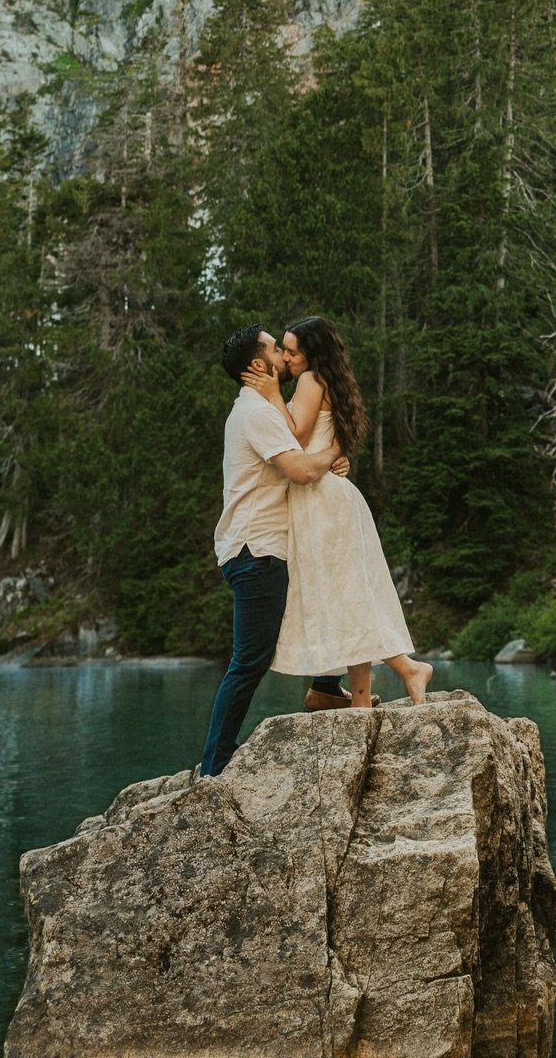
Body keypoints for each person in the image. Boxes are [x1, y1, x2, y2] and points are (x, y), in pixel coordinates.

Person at [245, 315, 431, 709]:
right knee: (348, 597)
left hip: (322, 502)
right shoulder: (324, 380)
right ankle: (362, 697)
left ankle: (407, 669)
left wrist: (273, 394)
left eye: (293, 351)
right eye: (284, 349)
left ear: (312, 354)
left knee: (346, 598)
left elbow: (295, 435)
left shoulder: (311, 380)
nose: (286, 358)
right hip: (326, 499)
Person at [198, 324, 354, 777]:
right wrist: (334, 449)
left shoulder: (261, 409)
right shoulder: (255, 414)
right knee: (249, 660)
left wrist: (329, 458)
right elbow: (301, 470)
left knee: (317, 600)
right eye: (274, 350)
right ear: (257, 364)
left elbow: (300, 448)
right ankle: (215, 764)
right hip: (256, 549)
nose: (285, 357)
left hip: (265, 546)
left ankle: (326, 686)